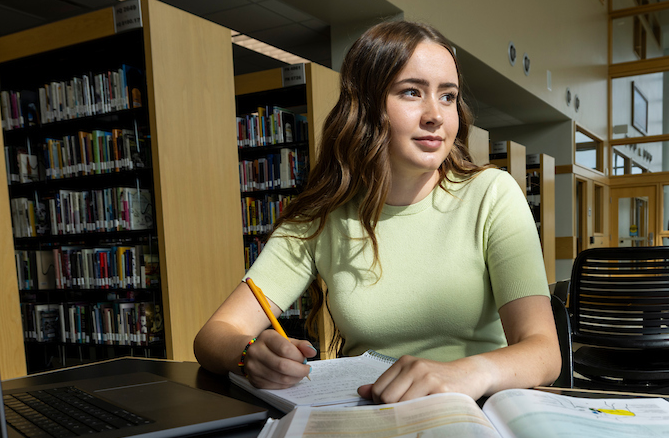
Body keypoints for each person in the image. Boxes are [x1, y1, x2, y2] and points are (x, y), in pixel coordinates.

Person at [193, 20, 560, 403]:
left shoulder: (491, 195)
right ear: (365, 106)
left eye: (448, 96)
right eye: (412, 92)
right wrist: (248, 352)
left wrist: (465, 374)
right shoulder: (322, 217)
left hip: (473, 411)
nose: (435, 114)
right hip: (366, 415)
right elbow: (213, 335)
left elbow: (544, 352)